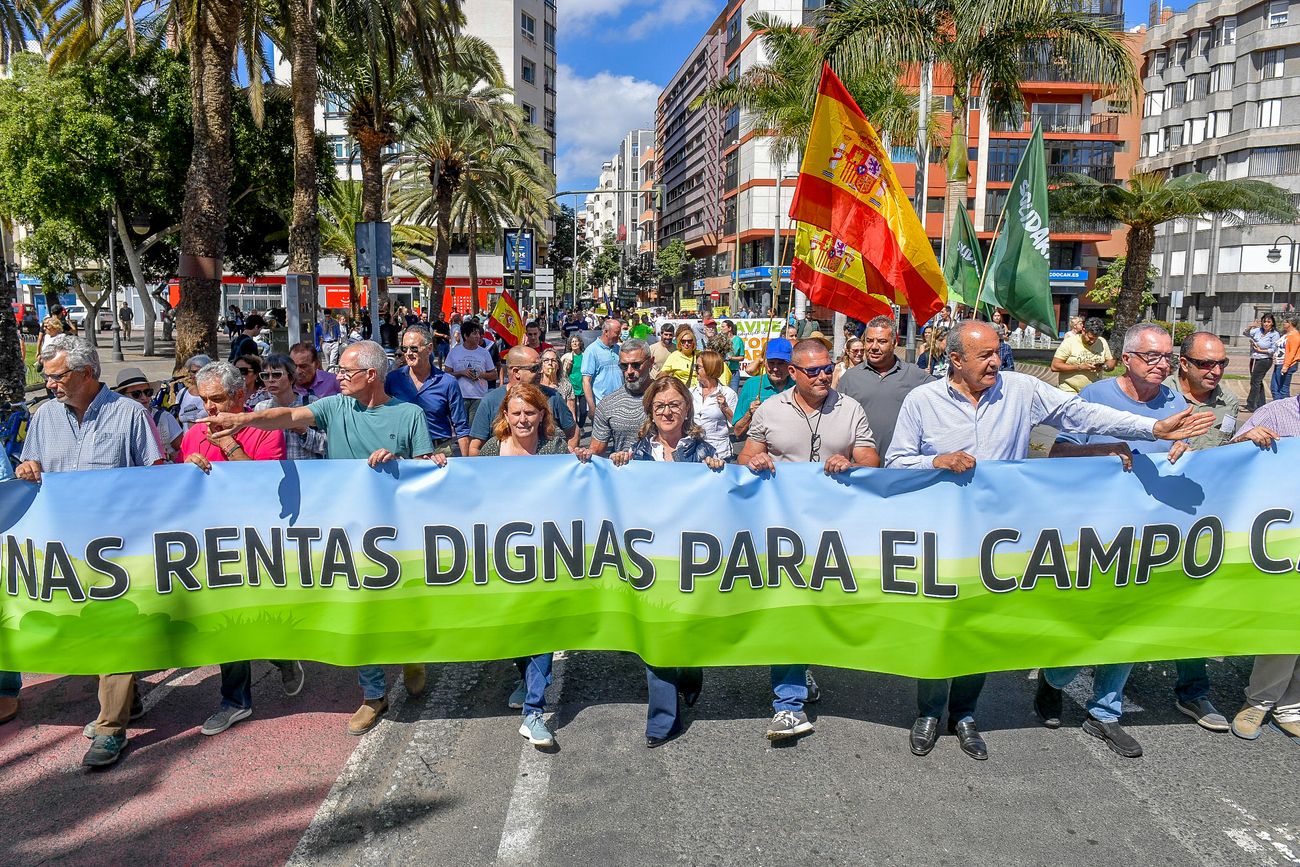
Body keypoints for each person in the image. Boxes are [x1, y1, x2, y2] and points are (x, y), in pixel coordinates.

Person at [886, 322, 1212, 762]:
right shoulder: (922, 401)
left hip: (999, 539)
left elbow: (1084, 415)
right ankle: (928, 713)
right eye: (983, 356)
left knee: (979, 630)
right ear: (956, 359)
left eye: (997, 353)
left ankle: (964, 715)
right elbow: (896, 461)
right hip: (942, 535)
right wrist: (936, 460)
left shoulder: (1022, 390)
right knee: (938, 627)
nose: (995, 362)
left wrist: (1152, 430)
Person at [205, 341, 442, 736]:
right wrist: (244, 420)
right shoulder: (334, 407)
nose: (339, 377)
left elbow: (426, 469)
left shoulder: (410, 415)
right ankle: (373, 694)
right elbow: (288, 415)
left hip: (397, 532)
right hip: (346, 530)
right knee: (357, 610)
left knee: (399, 605)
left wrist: (398, 462)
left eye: (347, 372)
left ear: (371, 375)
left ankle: (410, 655)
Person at [16, 335, 165, 767]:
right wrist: (29, 470)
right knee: (87, 632)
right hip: (66, 550)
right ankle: (127, 696)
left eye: (58, 376)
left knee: (112, 635)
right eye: (47, 377)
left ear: (86, 373)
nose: (50, 384)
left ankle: (110, 728)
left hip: (119, 552)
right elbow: (34, 470)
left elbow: (158, 480)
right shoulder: (44, 418)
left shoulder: (131, 415)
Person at [735, 338, 879, 740]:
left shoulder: (850, 409)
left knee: (821, 608)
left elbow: (871, 462)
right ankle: (789, 703)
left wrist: (850, 462)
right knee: (788, 608)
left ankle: (802, 665)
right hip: (783, 530)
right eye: (812, 371)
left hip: (835, 531)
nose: (822, 376)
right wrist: (756, 460)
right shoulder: (770, 409)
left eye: (827, 368)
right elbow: (745, 458)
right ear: (793, 373)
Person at [175, 361, 303, 735]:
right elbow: (181, 485)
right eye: (204, 401)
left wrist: (229, 444)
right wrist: (188, 467)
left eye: (217, 399)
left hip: (257, 539)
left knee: (257, 617)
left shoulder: (264, 428)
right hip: (212, 539)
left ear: (241, 395)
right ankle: (235, 701)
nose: (209, 408)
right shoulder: (193, 434)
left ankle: (282, 657)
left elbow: (264, 486)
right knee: (225, 621)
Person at [608, 377, 724, 747]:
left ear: (687, 408)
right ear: (650, 412)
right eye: (660, 406)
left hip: (693, 558)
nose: (667, 411)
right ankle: (662, 720)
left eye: (674, 404)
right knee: (657, 635)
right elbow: (619, 492)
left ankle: (690, 673)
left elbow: (725, 497)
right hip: (651, 558)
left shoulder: (702, 448)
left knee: (687, 632)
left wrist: (719, 468)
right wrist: (619, 464)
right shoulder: (639, 451)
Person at [474, 383, 569, 748]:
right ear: (505, 417)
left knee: (542, 627)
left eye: (531, 412)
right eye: (516, 413)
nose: (524, 419)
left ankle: (534, 711)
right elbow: (463, 482)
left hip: (546, 553)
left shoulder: (554, 446)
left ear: (542, 414)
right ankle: (525, 676)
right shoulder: (489, 452)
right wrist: (436, 461)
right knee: (513, 629)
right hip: (501, 556)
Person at [1216, 386, 1299, 743]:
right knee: (1286, 622)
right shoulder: (1277, 413)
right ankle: (1260, 702)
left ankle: (1292, 707)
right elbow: (1223, 462)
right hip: (1283, 538)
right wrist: (1245, 439)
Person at [837, 316, 932, 457]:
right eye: (869, 341)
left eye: (882, 341)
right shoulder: (849, 379)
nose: (874, 347)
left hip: (903, 468)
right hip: (861, 468)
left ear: (894, 343)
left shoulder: (916, 376)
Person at [467, 346, 577, 455]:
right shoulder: (490, 401)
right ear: (516, 372)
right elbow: (475, 447)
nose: (541, 371)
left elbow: (573, 432)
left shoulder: (553, 397)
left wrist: (567, 459)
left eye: (529, 413)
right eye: (535, 368)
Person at [386, 325, 469, 457]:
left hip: (439, 451)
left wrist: (467, 465)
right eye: (404, 348)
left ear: (429, 348)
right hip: (403, 452)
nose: (408, 353)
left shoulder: (448, 382)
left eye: (413, 348)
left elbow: (461, 427)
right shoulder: (392, 380)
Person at [254, 353, 327, 459]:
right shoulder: (261, 408)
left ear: (291, 378)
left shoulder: (311, 404)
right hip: (274, 470)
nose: (270, 380)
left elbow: (326, 445)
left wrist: (303, 431)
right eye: (265, 376)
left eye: (276, 375)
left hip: (306, 471)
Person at [589, 339, 653, 456]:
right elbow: (596, 450)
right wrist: (584, 455)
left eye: (636, 365)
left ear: (651, 362)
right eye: (624, 366)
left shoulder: (667, 398)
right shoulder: (608, 404)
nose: (629, 371)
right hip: (624, 471)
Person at [731, 338, 795, 439]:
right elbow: (738, 432)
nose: (775, 368)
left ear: (790, 364)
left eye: (781, 363)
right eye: (771, 362)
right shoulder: (751, 385)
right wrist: (750, 413)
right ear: (764, 362)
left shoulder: (798, 385)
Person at [114, 367, 183, 459]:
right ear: (122, 397)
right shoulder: (115, 421)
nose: (144, 397)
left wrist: (168, 457)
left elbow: (183, 449)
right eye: (136, 394)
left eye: (148, 392)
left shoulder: (165, 418)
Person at [445, 318, 498, 425]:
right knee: (462, 428)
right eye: (474, 334)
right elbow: (446, 375)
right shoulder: (455, 352)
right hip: (460, 397)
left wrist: (481, 374)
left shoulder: (484, 353)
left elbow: (494, 375)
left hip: (479, 397)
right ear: (465, 336)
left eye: (478, 333)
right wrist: (461, 373)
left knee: (474, 428)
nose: (478, 336)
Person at [689, 350, 737, 460]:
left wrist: (725, 408)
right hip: (694, 453)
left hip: (719, 454)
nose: (695, 370)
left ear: (710, 368)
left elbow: (736, 425)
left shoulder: (728, 393)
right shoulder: (690, 393)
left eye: (698, 367)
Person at [1052, 316, 1115, 393]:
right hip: (1069, 390)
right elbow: (1055, 366)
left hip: (1092, 390)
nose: (1092, 341)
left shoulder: (1102, 342)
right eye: (1090, 338)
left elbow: (1110, 361)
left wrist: (1105, 367)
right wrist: (1079, 367)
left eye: (1095, 338)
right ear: (1083, 331)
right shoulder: (1069, 342)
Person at [581, 317, 622, 417]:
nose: (619, 336)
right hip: (601, 406)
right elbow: (586, 381)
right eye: (617, 332)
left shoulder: (618, 349)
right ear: (606, 332)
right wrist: (591, 407)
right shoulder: (592, 351)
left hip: (620, 405)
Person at [1244, 313, 1281, 411]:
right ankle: (1261, 404)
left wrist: (1261, 350)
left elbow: (1273, 349)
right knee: (1257, 382)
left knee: (1255, 382)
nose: (1266, 324)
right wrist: (1251, 326)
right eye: (1264, 321)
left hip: (1264, 360)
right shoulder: (1257, 331)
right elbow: (1246, 333)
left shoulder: (1274, 334)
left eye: (1268, 322)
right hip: (1254, 358)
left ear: (1272, 323)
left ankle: (1251, 405)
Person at [539, 348, 576, 426]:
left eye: (553, 360)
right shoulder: (536, 385)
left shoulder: (566, 385)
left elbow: (571, 412)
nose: (550, 363)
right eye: (546, 360)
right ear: (541, 367)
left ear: (558, 366)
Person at [1271, 315, 1300, 401]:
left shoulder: (1295, 335)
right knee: (1275, 387)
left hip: (1286, 364)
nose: (1284, 323)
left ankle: (1284, 408)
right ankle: (1277, 406)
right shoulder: (1286, 334)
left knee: (1282, 389)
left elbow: (1292, 352)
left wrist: (1286, 366)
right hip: (1279, 363)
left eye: (1286, 322)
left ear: (1291, 323)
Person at [562, 334, 586, 429]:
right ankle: (576, 428)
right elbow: (561, 373)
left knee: (583, 411)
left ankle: (580, 426)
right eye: (572, 341)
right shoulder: (566, 357)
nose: (574, 343)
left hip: (583, 386)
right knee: (573, 410)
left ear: (580, 343)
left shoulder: (585, 356)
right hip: (571, 387)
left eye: (576, 341)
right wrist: (567, 367)